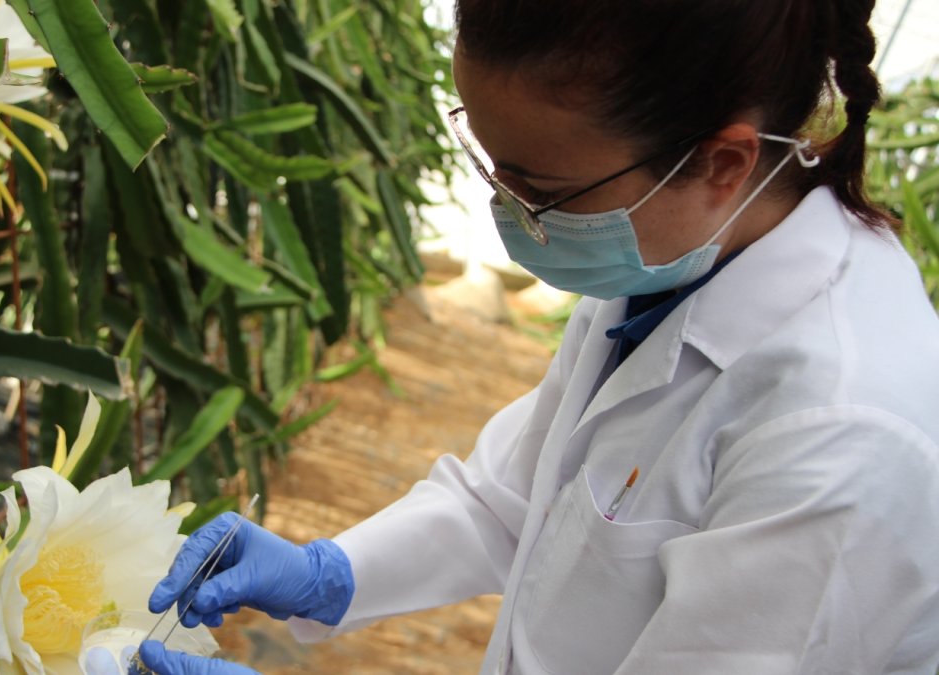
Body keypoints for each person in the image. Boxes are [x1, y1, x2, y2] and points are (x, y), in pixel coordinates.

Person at [125, 0, 939, 672]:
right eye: (493, 169)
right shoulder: (673, 256)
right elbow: (519, 496)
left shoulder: (844, 433)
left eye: (540, 191)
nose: (513, 214)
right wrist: (330, 573)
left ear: (722, 164)